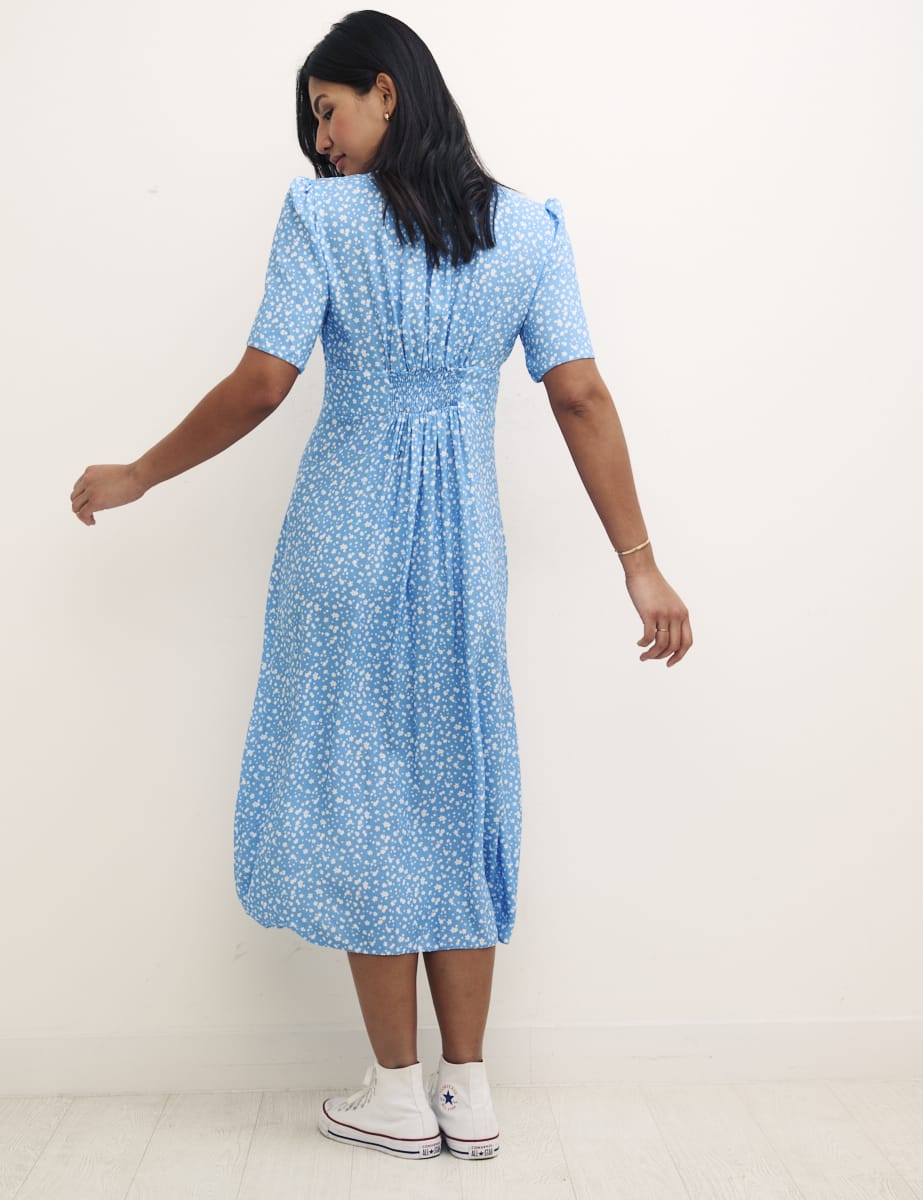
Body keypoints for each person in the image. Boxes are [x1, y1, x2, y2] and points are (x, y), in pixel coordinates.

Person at [69, 8, 692, 1164]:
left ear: (385, 93)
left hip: (344, 540)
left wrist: (142, 473)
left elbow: (262, 384)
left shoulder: (320, 219)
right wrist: (639, 563)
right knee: (458, 786)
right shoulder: (529, 231)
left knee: (364, 792)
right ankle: (468, 1091)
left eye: (327, 111)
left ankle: (397, 1093)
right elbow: (580, 396)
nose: (320, 143)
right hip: (463, 550)